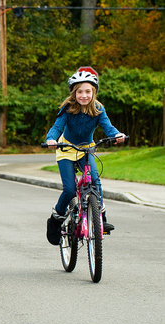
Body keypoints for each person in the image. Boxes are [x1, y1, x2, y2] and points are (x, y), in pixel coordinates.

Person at [45, 70, 126, 245]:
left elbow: (108, 127)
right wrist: (51, 139)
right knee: (70, 190)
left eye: (88, 91)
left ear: (94, 92)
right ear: (73, 93)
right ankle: (55, 220)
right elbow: (57, 127)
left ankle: (100, 219)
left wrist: (117, 134)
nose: (84, 95)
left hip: (87, 149)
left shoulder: (98, 109)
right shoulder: (68, 108)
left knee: (95, 182)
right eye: (79, 91)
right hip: (66, 149)